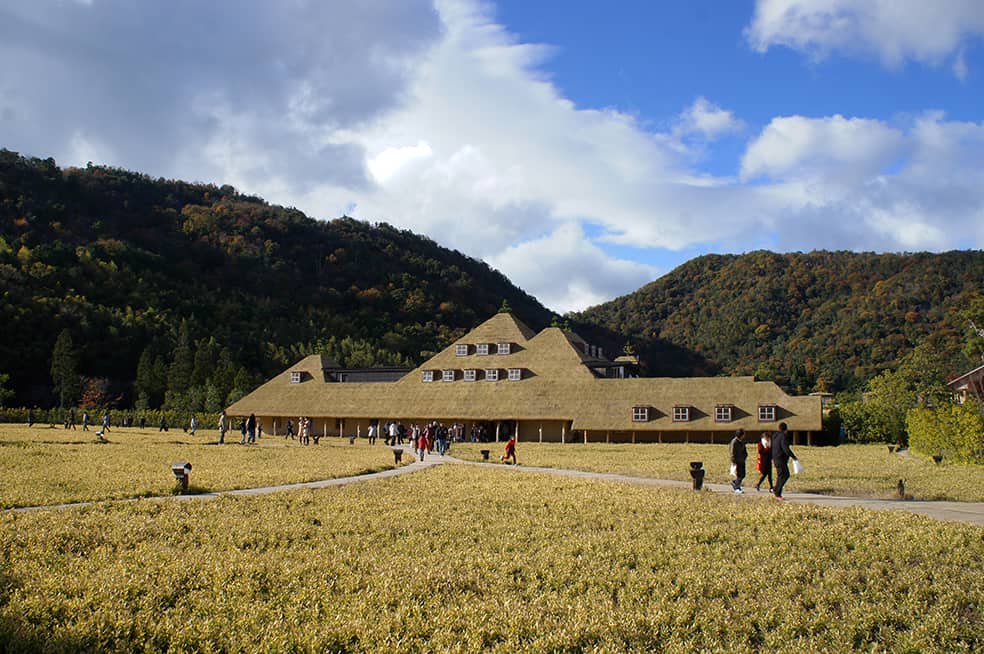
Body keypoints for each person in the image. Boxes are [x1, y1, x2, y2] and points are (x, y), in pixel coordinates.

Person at [771, 422, 798, 500]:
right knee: (784, 475)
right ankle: (777, 492)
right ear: (786, 429)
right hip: (781, 459)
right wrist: (793, 456)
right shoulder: (783, 436)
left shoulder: (775, 436)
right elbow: (785, 448)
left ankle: (776, 489)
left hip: (775, 458)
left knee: (781, 475)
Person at [729, 429, 747, 493]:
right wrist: (733, 461)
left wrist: (745, 456)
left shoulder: (742, 442)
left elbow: (744, 450)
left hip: (742, 460)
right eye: (743, 434)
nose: (744, 436)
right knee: (739, 475)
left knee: (743, 474)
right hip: (737, 461)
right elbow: (732, 452)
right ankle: (737, 487)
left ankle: (735, 482)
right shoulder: (734, 442)